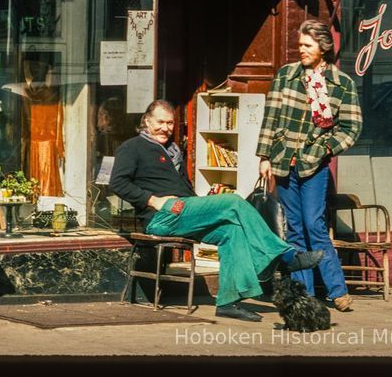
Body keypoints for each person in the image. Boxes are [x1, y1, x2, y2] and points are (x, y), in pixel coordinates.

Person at [110, 99, 324, 322]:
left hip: (185, 212)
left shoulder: (173, 151)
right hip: (161, 216)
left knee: (233, 231)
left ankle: (228, 302)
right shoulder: (132, 147)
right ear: (146, 121)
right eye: (160, 122)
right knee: (233, 201)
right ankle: (285, 255)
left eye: (170, 123)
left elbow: (184, 189)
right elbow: (118, 183)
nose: (166, 128)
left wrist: (200, 206)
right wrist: (153, 201)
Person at [256, 20, 363, 312]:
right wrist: (264, 156)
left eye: (307, 45)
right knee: (294, 230)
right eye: (300, 45)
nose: (301, 50)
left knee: (314, 224)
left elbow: (351, 127)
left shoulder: (341, 84)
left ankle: (337, 290)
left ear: (323, 48)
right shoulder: (285, 76)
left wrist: (323, 149)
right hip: (283, 160)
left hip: (313, 165)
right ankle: (303, 293)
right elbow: (271, 117)